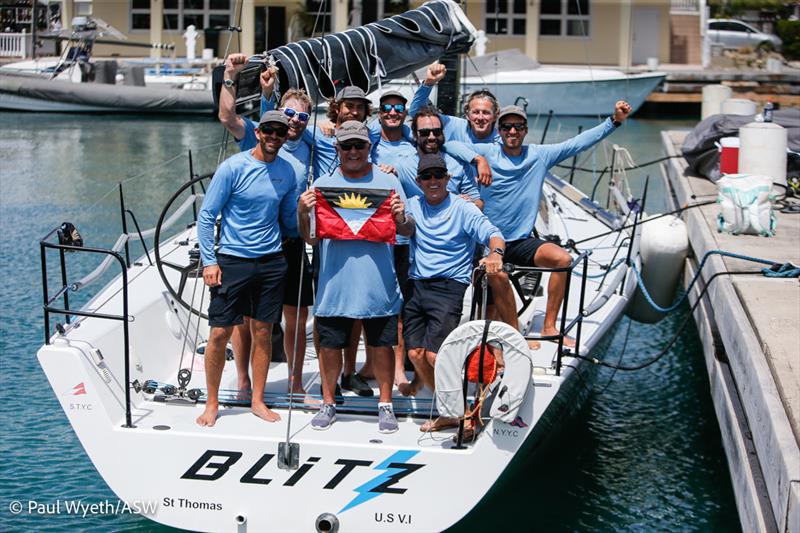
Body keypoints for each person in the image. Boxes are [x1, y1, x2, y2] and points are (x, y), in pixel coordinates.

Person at [467, 101, 633, 346]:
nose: (512, 131)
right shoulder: (486, 153)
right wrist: (477, 159)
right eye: (506, 127)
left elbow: (578, 143)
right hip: (490, 243)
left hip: (521, 241)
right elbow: (450, 145)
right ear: (498, 130)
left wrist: (614, 121)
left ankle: (549, 327)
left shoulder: (539, 155)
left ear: (525, 130)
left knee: (563, 259)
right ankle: (516, 337)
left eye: (518, 127)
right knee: (496, 278)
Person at [297, 121, 414, 433]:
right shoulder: (322, 184)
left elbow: (408, 230)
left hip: (379, 284)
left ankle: (385, 404)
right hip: (334, 285)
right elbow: (310, 239)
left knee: (382, 346)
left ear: (369, 148)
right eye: (346, 146)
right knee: (330, 347)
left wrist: (401, 216)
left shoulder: (389, 182)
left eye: (358, 146)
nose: (352, 151)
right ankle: (328, 402)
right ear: (337, 149)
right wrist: (302, 212)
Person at [218, 53, 316, 400]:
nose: (294, 121)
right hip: (254, 245)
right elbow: (227, 116)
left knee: (297, 317)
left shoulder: (313, 146)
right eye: (289, 114)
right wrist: (231, 74)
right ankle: (243, 379)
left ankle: (294, 378)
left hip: (290, 243)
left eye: (302, 117)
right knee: (245, 319)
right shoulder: (258, 140)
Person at [196, 110, 298, 427]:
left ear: (285, 137)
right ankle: (212, 403)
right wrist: (209, 260)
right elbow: (206, 215)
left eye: (279, 132)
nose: (273, 136)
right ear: (258, 132)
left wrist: (309, 211)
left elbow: (289, 223)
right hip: (232, 261)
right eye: (268, 130)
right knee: (219, 334)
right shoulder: (232, 168)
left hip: (271, 261)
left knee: (264, 333)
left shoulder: (288, 172)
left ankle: (257, 400)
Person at [400, 154, 506, 414]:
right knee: (415, 355)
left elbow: (494, 234)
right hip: (416, 285)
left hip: (450, 286)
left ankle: (455, 412)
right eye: (427, 176)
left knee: (435, 356)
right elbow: (396, 225)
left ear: (448, 179)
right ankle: (452, 409)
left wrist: (496, 254)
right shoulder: (411, 205)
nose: (433, 180)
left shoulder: (463, 207)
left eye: (439, 175)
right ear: (419, 181)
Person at [408, 62, 501, 145]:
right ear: (467, 114)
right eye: (475, 112)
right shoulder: (453, 125)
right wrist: (429, 83)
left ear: (496, 115)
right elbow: (415, 112)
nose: (480, 118)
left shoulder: (502, 140)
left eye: (486, 113)